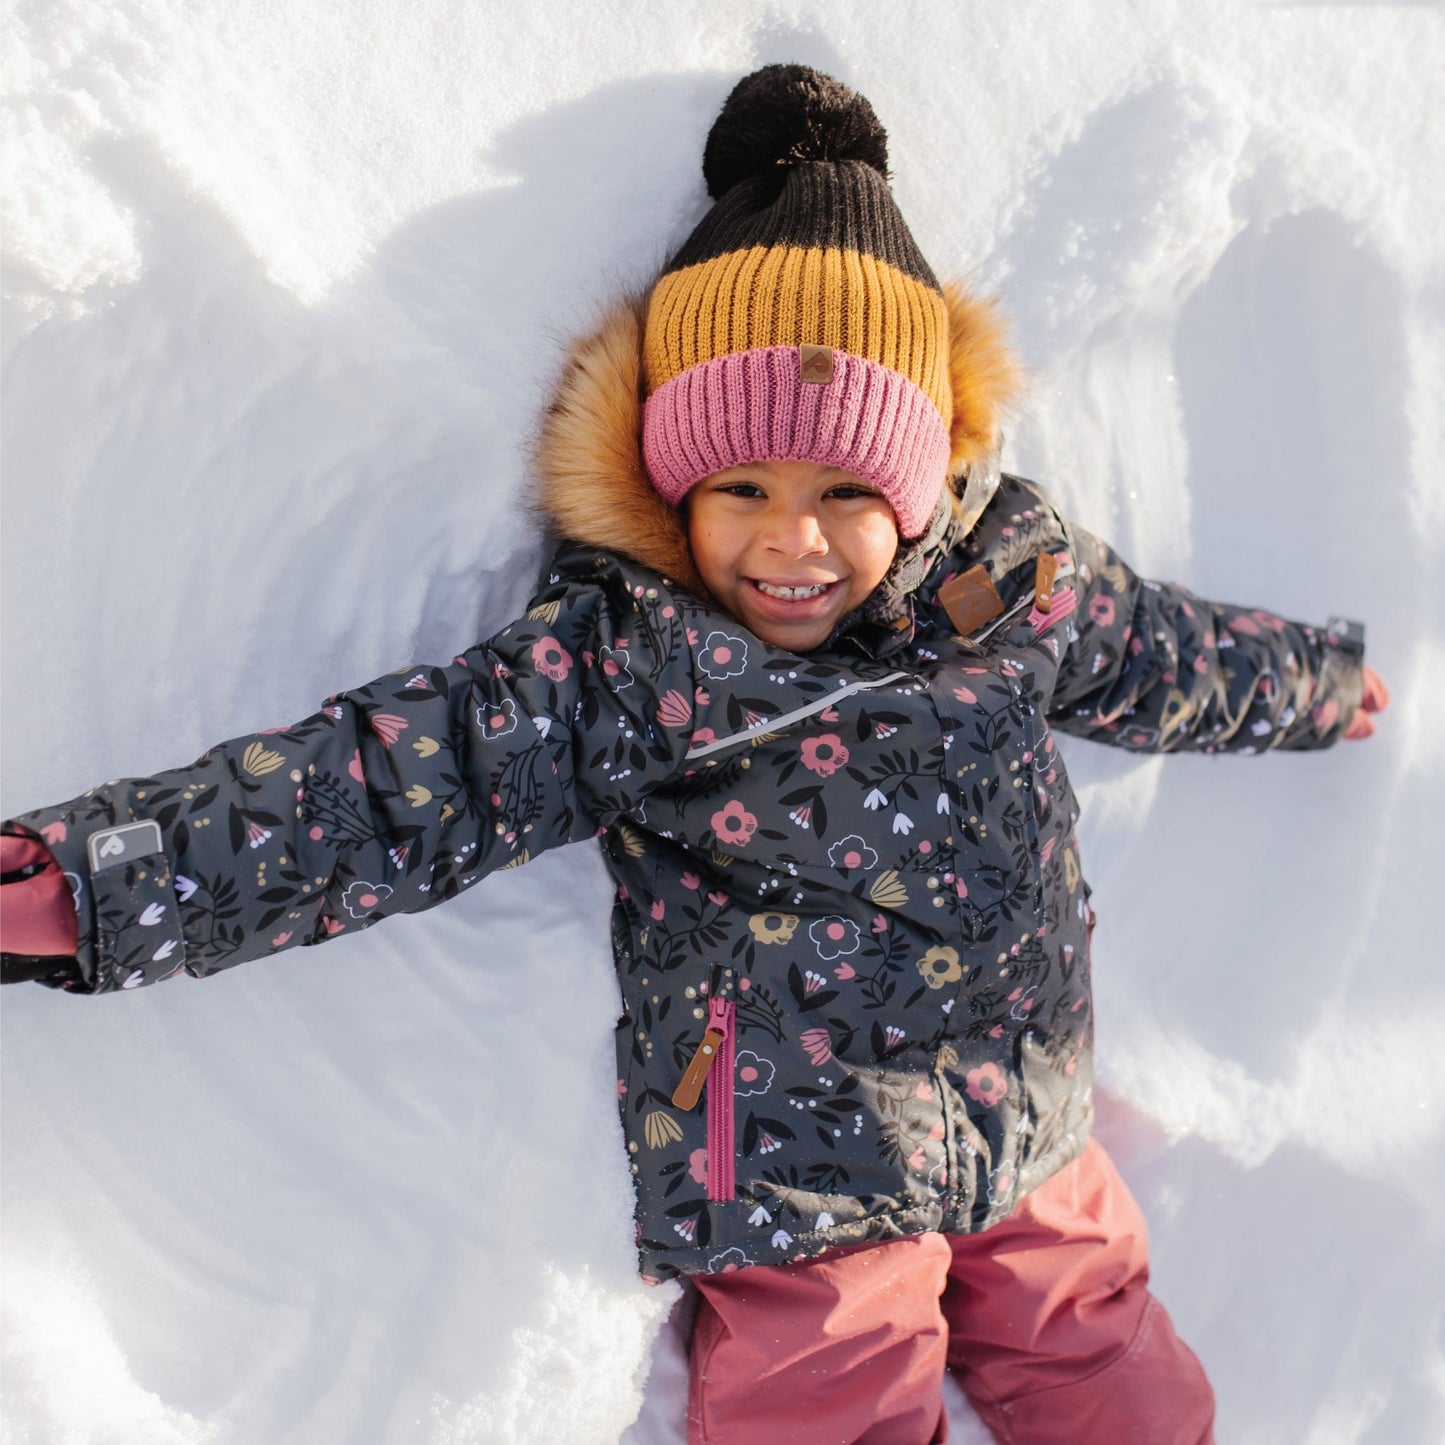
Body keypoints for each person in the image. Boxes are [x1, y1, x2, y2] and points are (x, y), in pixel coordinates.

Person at [0, 64, 1389, 1445]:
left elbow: (1165, 654)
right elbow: (383, 785)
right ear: (674, 480)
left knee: (1110, 1358)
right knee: (828, 1399)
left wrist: (1315, 684)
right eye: (744, 490)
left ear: (918, 484)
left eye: (848, 491)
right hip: (788, 1151)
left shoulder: (1014, 582)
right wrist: (94, 878)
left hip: (1025, 1090)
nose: (794, 540)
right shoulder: (629, 658)